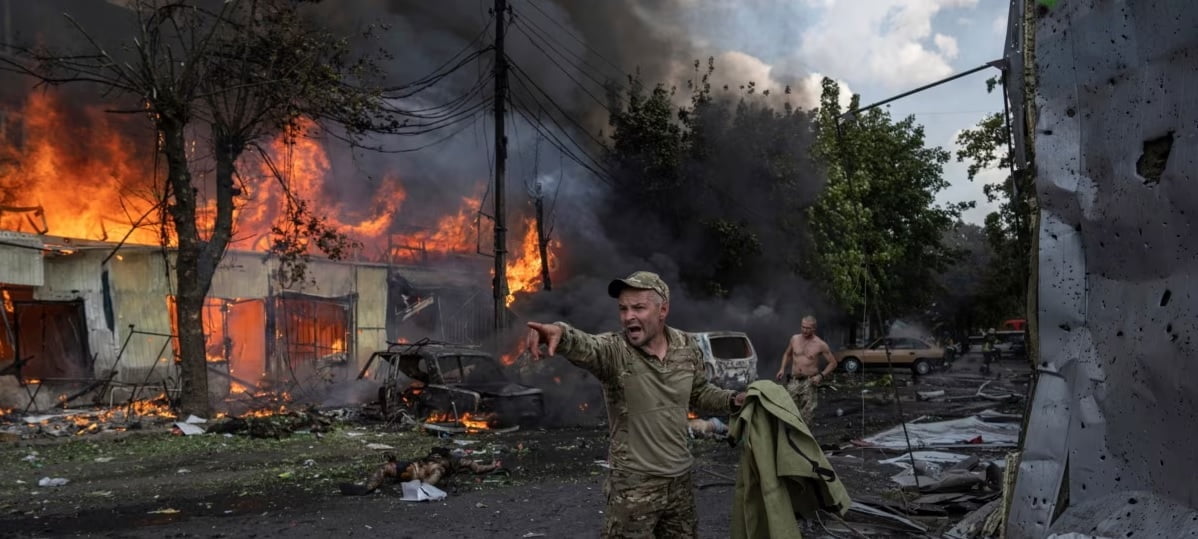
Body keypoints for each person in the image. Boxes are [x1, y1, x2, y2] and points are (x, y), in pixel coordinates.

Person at [525, 270, 747, 538]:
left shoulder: (686, 347)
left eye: (638, 308)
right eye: (623, 309)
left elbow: (698, 393)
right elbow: (587, 345)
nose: (628, 316)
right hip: (633, 487)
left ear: (662, 309)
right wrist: (560, 332)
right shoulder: (615, 352)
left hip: (680, 482)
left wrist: (732, 400)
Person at [340, 447, 503, 495]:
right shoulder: (436, 460)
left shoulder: (448, 463)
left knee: (388, 468)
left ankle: (368, 487)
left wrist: (492, 466)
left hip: (420, 472)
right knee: (386, 468)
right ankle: (367, 487)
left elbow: (477, 468)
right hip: (414, 468)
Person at [774, 315, 838, 425]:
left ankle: (804, 438)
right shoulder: (794, 339)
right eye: (803, 327)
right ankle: (790, 437)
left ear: (814, 328)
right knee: (789, 410)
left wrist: (820, 376)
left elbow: (833, 363)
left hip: (809, 382)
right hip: (794, 381)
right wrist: (782, 369)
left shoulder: (820, 344)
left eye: (808, 328)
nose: (804, 330)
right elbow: (787, 354)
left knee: (807, 414)